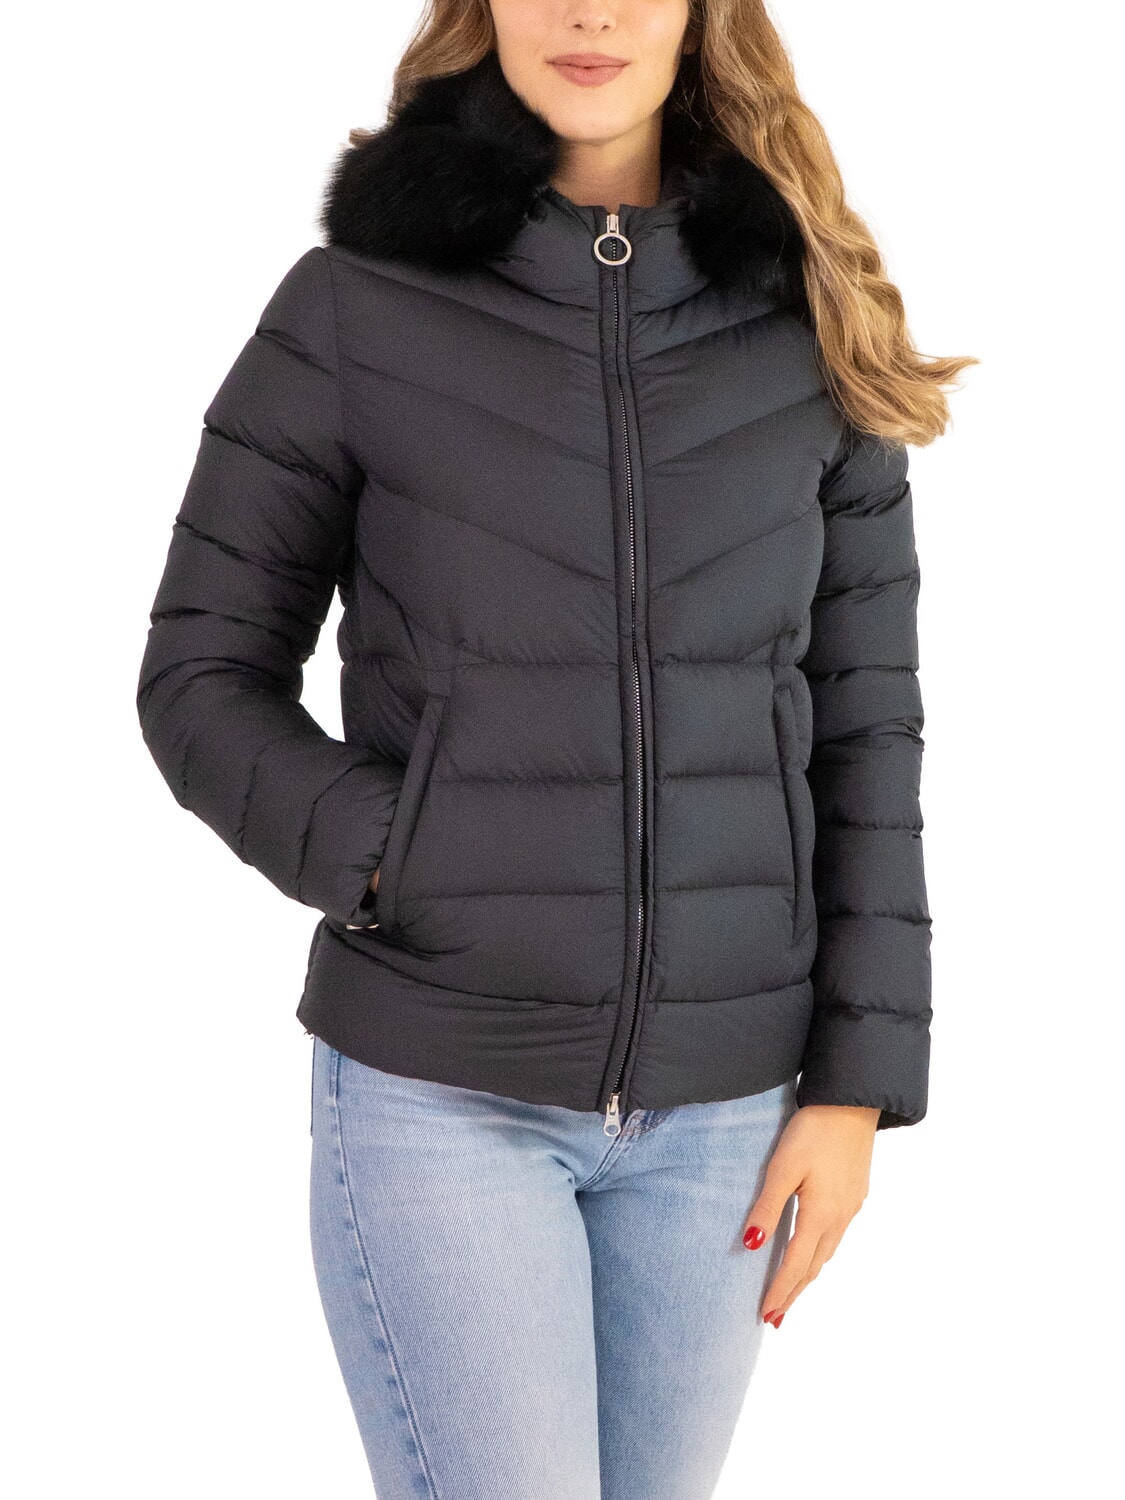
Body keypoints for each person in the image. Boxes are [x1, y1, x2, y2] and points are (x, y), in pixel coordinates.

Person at [136, 3, 974, 1495]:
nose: (589, 12)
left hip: (728, 1115)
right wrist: (402, 857)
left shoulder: (804, 316)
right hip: (442, 1086)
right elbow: (201, 673)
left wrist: (855, 1085)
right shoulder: (358, 307)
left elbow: (867, 726)